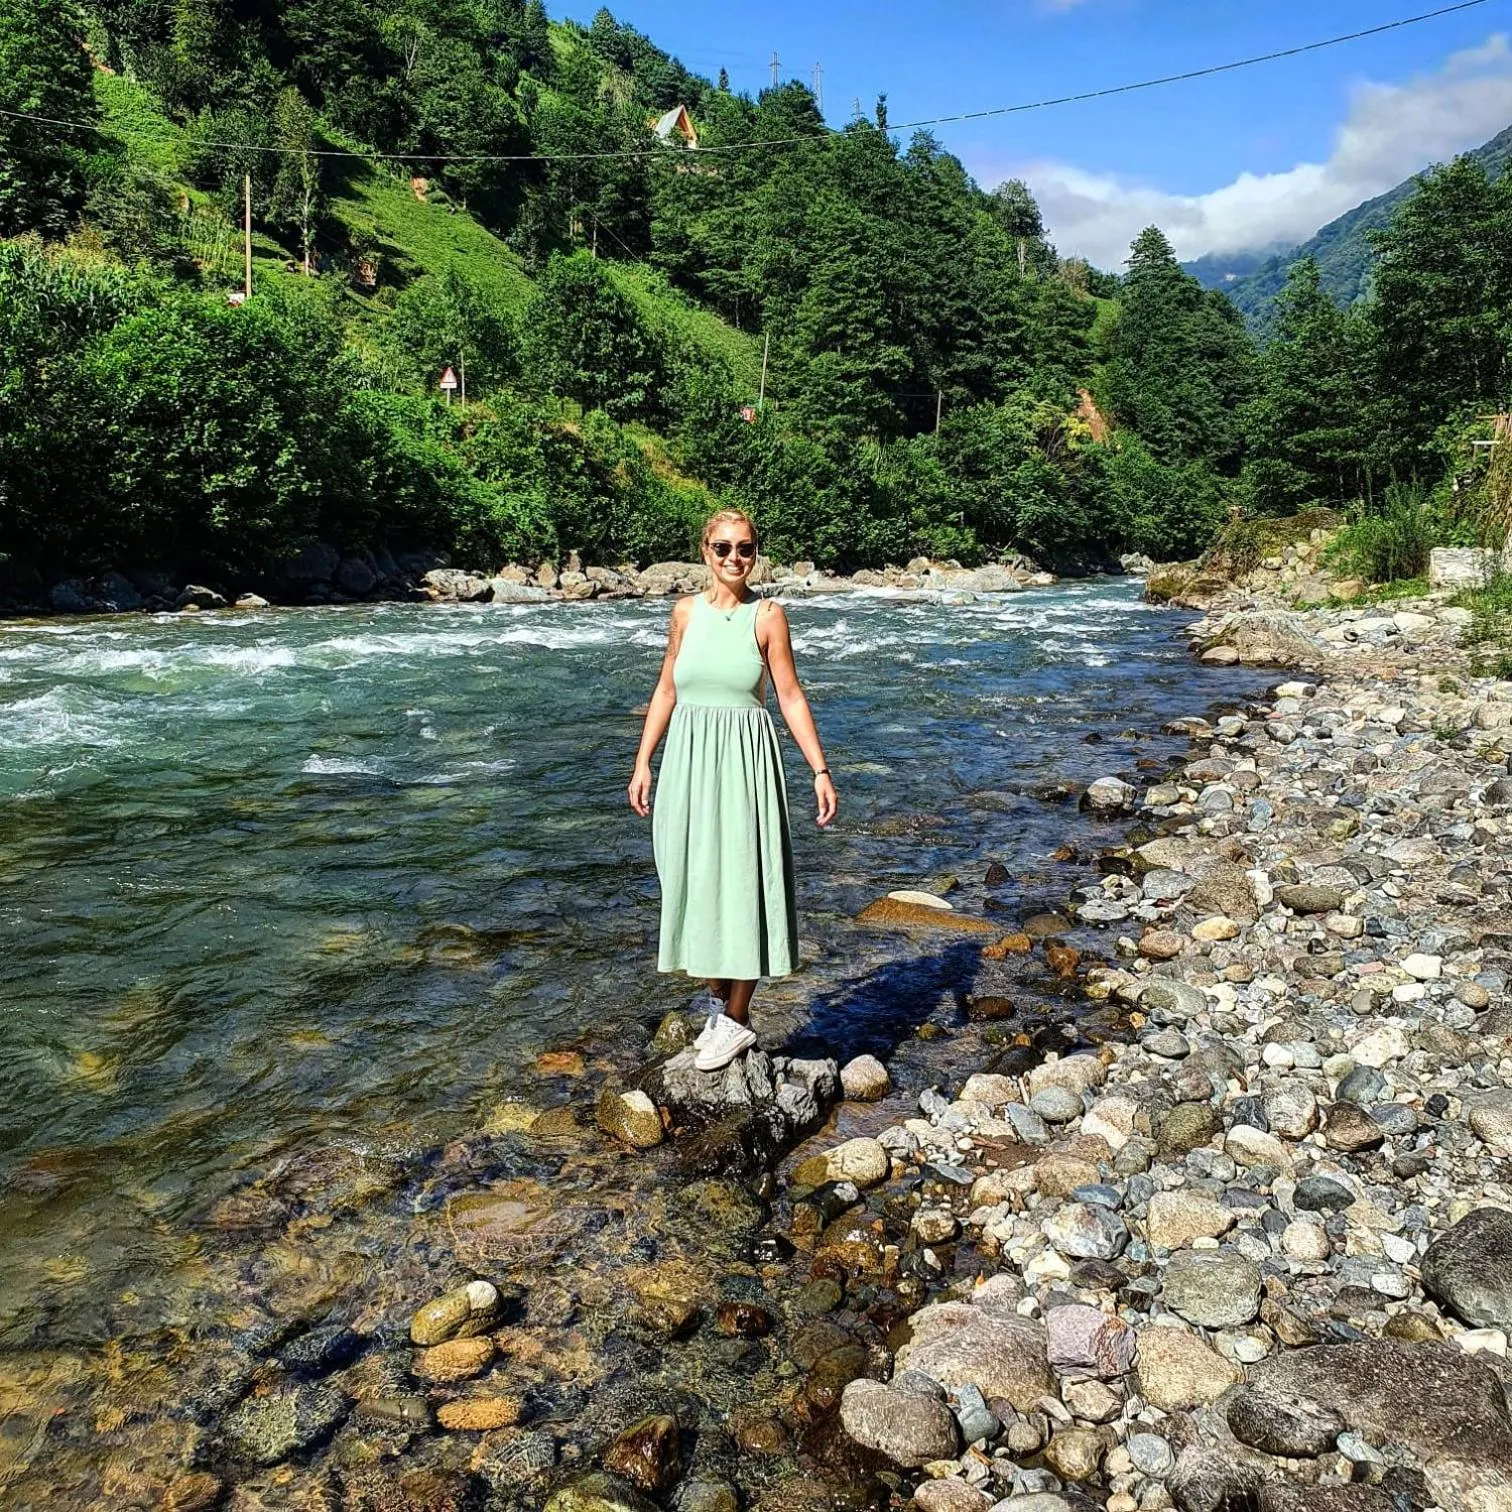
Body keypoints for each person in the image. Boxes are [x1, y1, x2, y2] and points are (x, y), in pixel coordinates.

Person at [628, 508, 837, 1071]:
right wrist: (644, 760)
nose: (734, 559)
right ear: (705, 552)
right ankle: (722, 993)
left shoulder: (767, 617)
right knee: (688, 877)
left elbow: (790, 695)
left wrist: (819, 769)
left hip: (745, 761)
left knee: (744, 882)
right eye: (723, 549)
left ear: (755, 553)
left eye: (745, 549)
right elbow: (667, 688)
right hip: (689, 761)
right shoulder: (683, 614)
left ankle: (737, 1019)